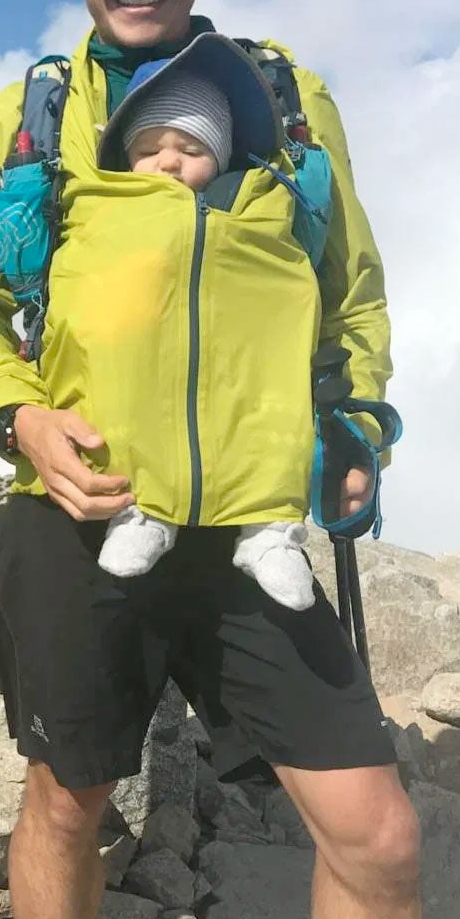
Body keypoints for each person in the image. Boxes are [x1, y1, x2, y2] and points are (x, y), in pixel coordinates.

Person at [0, 0, 422, 919]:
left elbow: (351, 290)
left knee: (380, 834)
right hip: (81, 509)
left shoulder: (287, 99)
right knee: (68, 794)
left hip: (256, 528)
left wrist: (354, 424)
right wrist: (18, 418)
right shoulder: (30, 115)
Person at [92, 39, 315, 612]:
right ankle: (144, 515)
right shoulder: (113, 210)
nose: (166, 162)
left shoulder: (261, 202)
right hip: (149, 378)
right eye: (147, 150)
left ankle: (271, 535)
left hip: (248, 372)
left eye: (189, 147)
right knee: (134, 413)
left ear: (221, 152)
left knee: (270, 427)